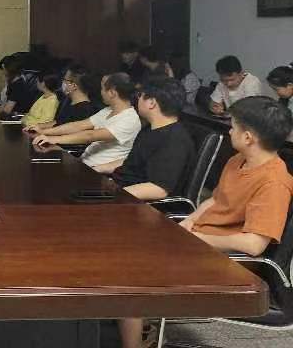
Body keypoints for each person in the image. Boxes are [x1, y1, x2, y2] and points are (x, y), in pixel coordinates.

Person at [121, 96, 293, 348]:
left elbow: (254, 245)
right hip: (200, 244)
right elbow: (214, 200)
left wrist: (195, 238)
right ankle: (142, 328)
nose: (229, 131)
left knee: (129, 277)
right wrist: (189, 221)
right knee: (124, 249)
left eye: (233, 126)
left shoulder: (274, 183)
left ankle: (135, 338)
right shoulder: (238, 160)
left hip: (230, 264)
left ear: (248, 137)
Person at [98, 77, 195, 197]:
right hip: (118, 186)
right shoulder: (150, 129)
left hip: (131, 201)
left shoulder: (175, 140)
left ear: (151, 103)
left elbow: (158, 189)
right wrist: (99, 168)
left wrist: (113, 196)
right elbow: (134, 162)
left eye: (140, 95)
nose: (137, 99)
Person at [33, 73, 141, 168]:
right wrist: (44, 132)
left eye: (103, 89)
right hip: (84, 162)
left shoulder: (129, 119)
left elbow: (90, 135)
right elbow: (78, 125)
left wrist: (54, 139)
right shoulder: (108, 111)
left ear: (112, 93)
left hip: (99, 171)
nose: (101, 92)